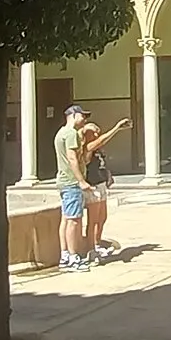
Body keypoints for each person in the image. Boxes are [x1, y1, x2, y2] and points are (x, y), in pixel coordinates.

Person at [78, 116, 131, 259]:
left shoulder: (99, 150)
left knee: (102, 217)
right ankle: (91, 248)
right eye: (93, 133)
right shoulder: (86, 148)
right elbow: (101, 140)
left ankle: (97, 242)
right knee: (93, 219)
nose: (96, 135)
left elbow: (101, 162)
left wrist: (108, 175)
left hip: (101, 184)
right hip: (92, 186)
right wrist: (117, 127)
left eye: (97, 132)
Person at [53, 103, 92, 272]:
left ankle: (65, 255)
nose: (84, 119)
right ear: (73, 115)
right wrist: (81, 181)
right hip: (71, 182)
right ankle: (73, 257)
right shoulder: (70, 134)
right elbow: (72, 158)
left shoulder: (61, 133)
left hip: (63, 181)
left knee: (66, 219)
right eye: (82, 115)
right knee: (74, 221)